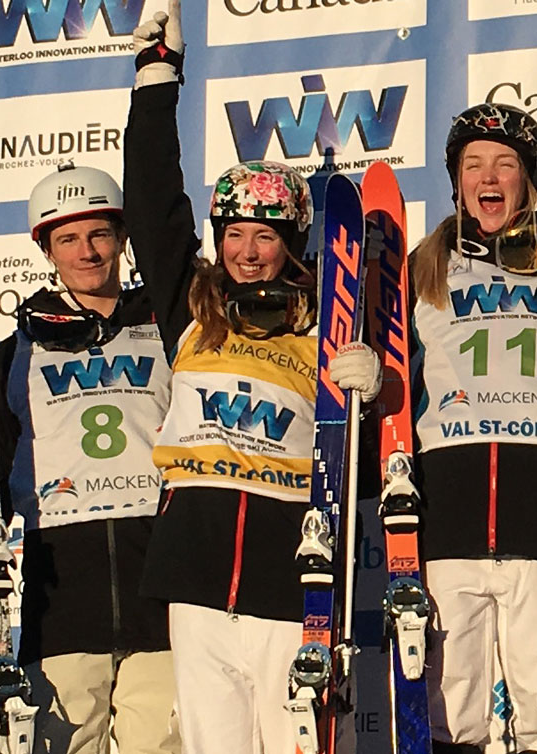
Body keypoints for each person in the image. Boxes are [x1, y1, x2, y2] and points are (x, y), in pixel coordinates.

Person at [122, 4, 379, 751]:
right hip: (195, 579)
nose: (247, 252)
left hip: (288, 577)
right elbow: (151, 209)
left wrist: (372, 395)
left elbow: (354, 471)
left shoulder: (325, 327)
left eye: (264, 235)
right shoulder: (194, 311)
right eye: (233, 233)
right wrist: (156, 81)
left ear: (292, 241)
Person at [357, 101, 537, 754]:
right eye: (473, 164)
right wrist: (374, 384)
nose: (489, 177)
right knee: (450, 708)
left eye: (505, 164)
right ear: (456, 179)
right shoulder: (422, 269)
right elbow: (389, 395)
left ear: (530, 179)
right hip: (445, 517)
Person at [0, 163, 181, 754]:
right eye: (68, 239)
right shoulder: (12, 355)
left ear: (123, 238)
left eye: (100, 234)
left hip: (162, 583)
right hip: (62, 598)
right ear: (47, 250)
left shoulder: (169, 331)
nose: (87, 251)